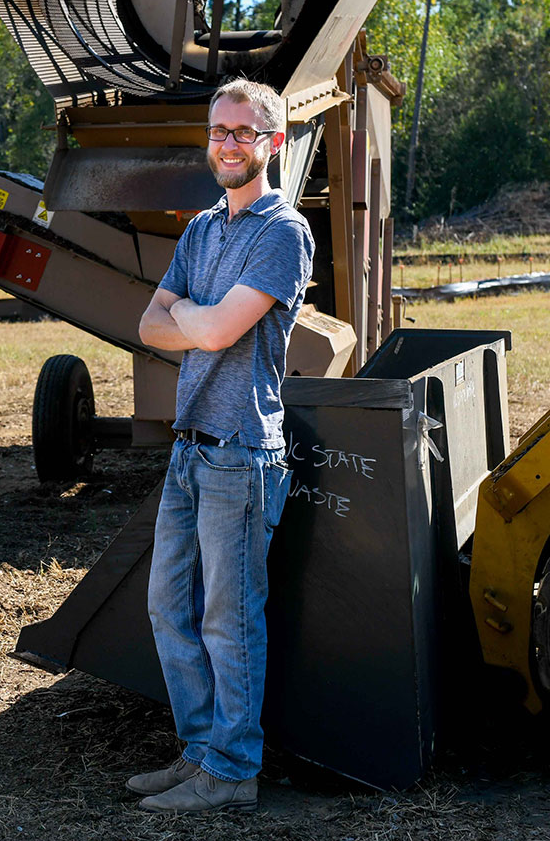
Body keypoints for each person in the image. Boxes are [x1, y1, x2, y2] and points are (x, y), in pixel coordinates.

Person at [130, 79, 314, 813]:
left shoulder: (283, 231)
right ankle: (202, 750)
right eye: (218, 131)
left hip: (242, 451)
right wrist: (194, 318)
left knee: (227, 622)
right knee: (168, 609)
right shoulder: (202, 229)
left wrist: (191, 317)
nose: (228, 143)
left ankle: (234, 772)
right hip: (189, 446)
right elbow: (148, 325)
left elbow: (209, 333)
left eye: (243, 131)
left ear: (271, 142)